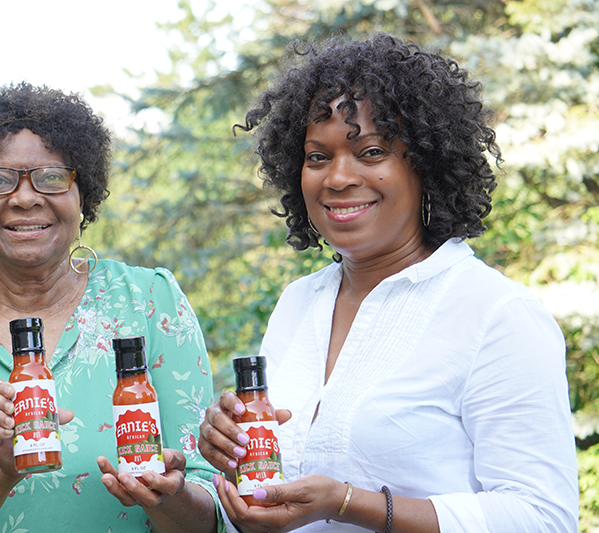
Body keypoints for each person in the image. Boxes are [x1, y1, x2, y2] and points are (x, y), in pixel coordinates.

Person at [198, 33, 578, 532]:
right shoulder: (298, 303)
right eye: (317, 157)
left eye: (371, 151)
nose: (337, 177)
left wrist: (349, 502)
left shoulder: (496, 314)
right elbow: (274, 500)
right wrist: (233, 453)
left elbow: (543, 518)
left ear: (426, 164)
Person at [0, 83, 221, 533]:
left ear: (82, 193)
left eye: (51, 176)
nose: (25, 197)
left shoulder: (151, 301)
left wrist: (171, 498)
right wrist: (1, 470)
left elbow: (212, 512)